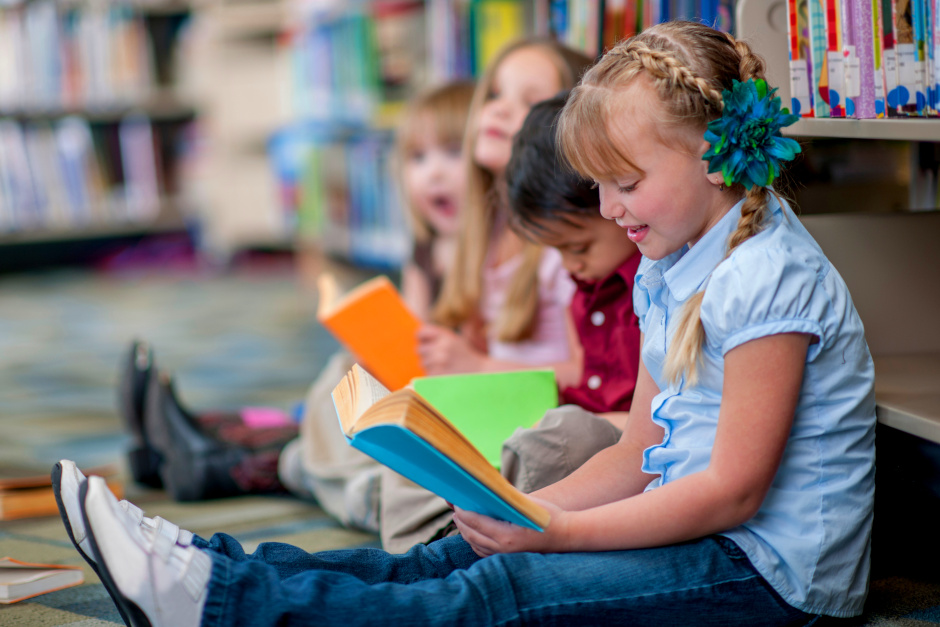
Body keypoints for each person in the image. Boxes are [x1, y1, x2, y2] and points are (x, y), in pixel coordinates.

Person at [67, 21, 876, 624]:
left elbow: (732, 491)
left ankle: (215, 605)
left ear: (712, 156)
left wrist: (555, 531)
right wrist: (525, 510)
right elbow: (640, 450)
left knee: (502, 590)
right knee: (452, 554)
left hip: (770, 576)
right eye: (598, 185)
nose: (607, 209)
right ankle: (211, 567)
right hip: (702, 532)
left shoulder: (769, 276)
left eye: (624, 182)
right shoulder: (669, 262)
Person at [119, 81, 475, 501]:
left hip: (452, 408)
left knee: (324, 425)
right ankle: (191, 437)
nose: (434, 172)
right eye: (418, 158)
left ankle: (208, 455)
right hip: (421, 394)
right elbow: (415, 342)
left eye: (453, 153)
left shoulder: (491, 257)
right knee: (331, 394)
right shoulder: (425, 251)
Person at [379, 92, 644, 553]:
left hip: (595, 437)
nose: (569, 265)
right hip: (557, 417)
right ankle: (442, 525)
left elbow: (644, 424)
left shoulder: (646, 284)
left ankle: (454, 531)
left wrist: (481, 366)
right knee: (417, 422)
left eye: (577, 249)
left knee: (558, 434)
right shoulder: (586, 281)